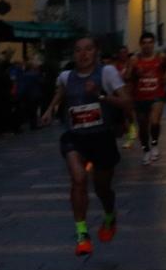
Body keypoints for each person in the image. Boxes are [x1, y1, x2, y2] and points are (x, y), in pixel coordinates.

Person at [40, 36, 130, 256]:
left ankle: (109, 215)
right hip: (75, 137)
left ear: (96, 51)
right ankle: (82, 234)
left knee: (102, 189)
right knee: (78, 179)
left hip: (101, 137)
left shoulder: (107, 73)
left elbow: (127, 102)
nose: (83, 54)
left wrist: (99, 95)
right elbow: (61, 91)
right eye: (78, 50)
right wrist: (50, 109)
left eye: (88, 49)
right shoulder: (65, 76)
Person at [124, 32, 166, 164]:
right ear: (140, 44)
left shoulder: (161, 57)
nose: (147, 46)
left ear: (154, 43)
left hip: (157, 95)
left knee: (154, 122)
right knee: (142, 127)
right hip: (140, 97)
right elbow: (127, 77)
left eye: (150, 42)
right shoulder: (134, 60)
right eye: (144, 43)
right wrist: (133, 71)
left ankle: (154, 144)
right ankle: (146, 150)